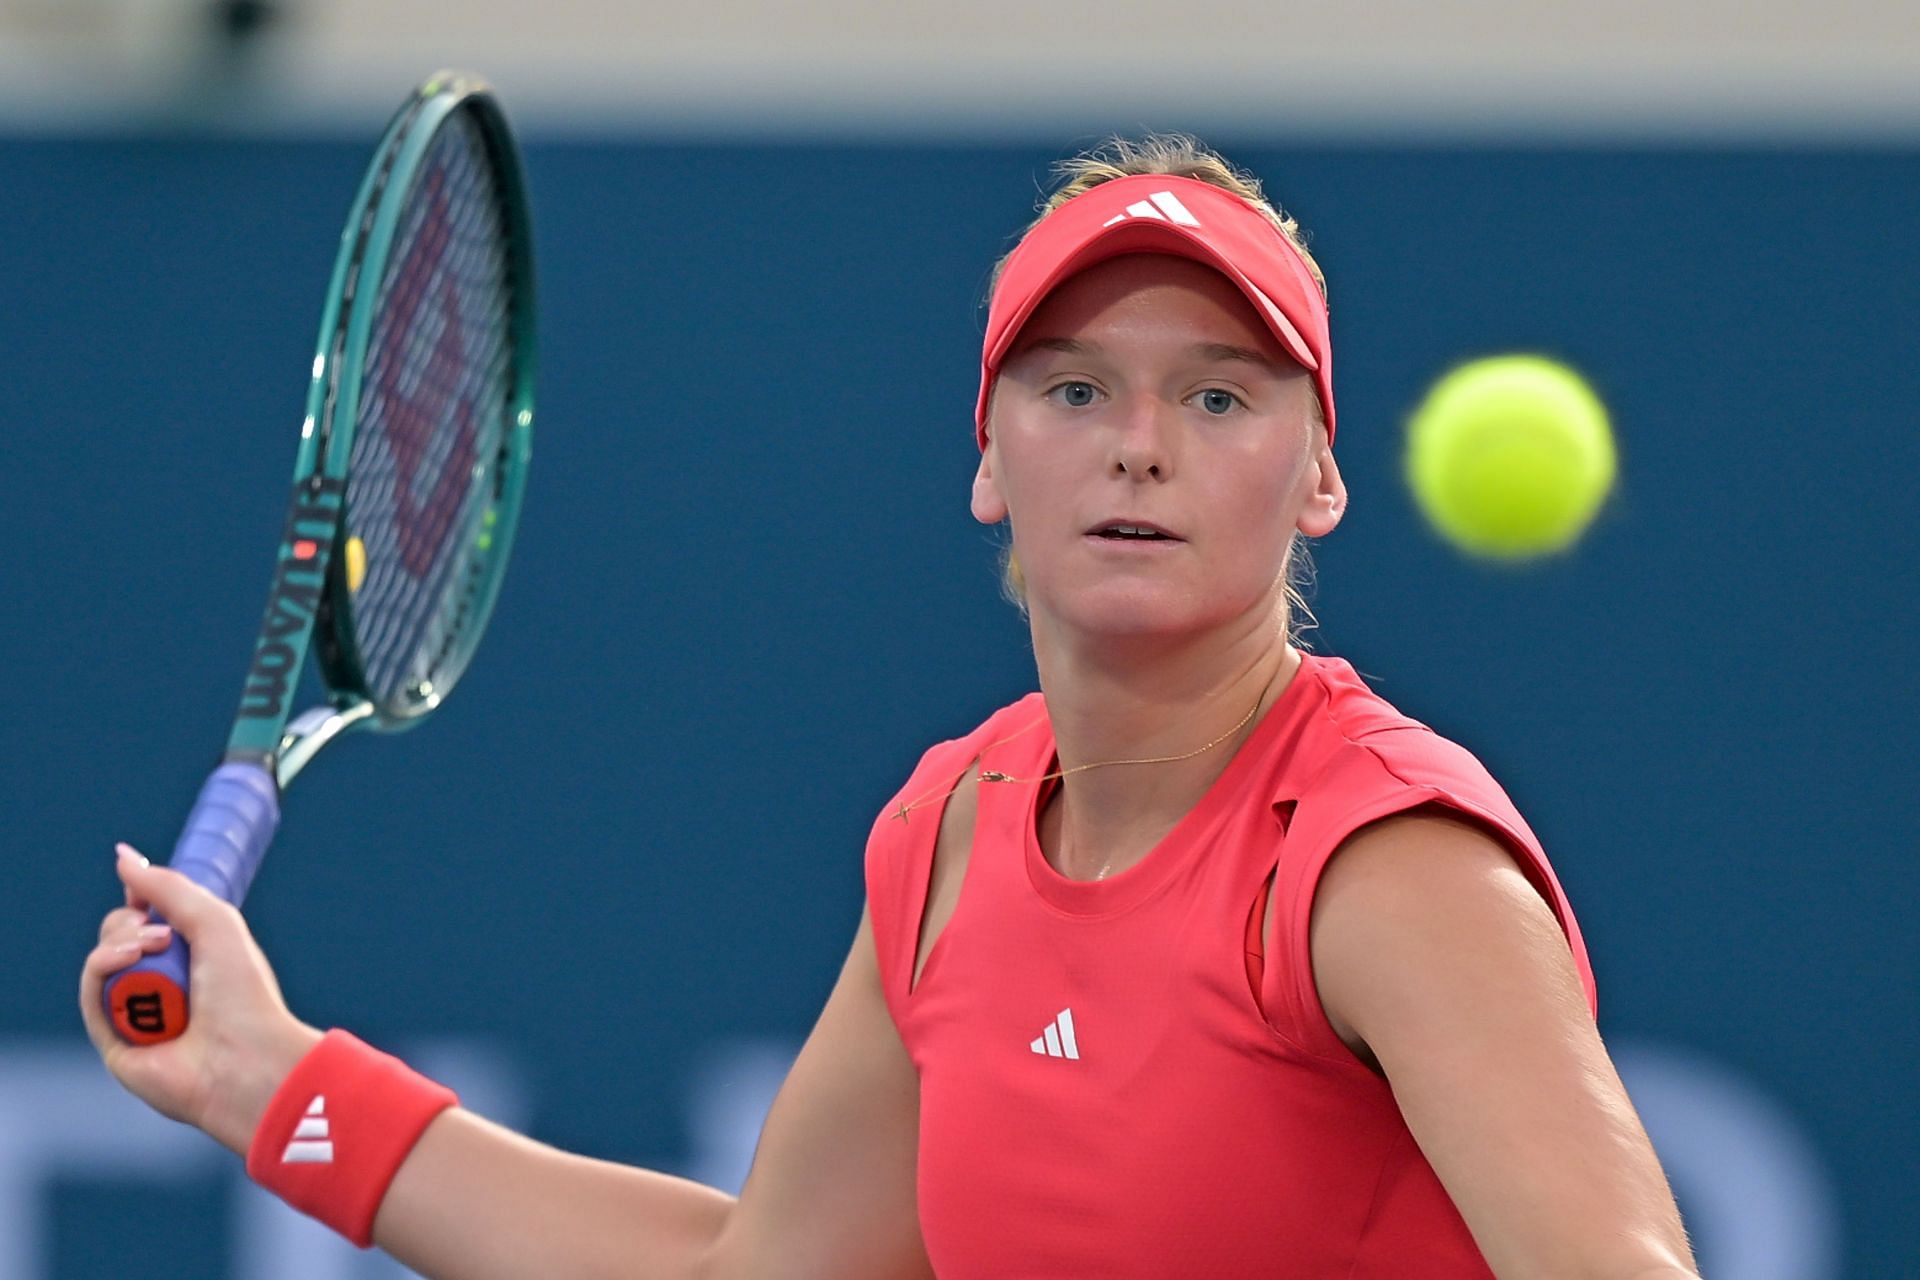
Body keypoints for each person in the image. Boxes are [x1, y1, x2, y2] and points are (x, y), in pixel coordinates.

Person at [83, 136, 1700, 1278]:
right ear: (991, 461)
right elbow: (755, 1274)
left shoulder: (1381, 864)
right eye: (1075, 389)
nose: (1140, 442)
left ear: (1321, 478)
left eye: (1217, 394)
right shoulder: (952, 837)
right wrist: (262, 1078)